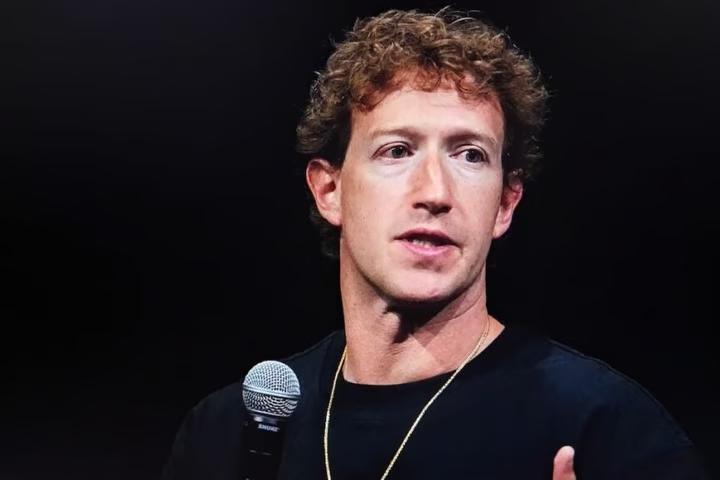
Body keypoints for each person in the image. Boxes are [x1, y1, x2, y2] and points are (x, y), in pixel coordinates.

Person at [162, 8, 708, 480]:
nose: (435, 193)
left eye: (470, 155)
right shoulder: (228, 433)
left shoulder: (607, 434)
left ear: (505, 203)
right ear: (330, 190)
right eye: (397, 151)